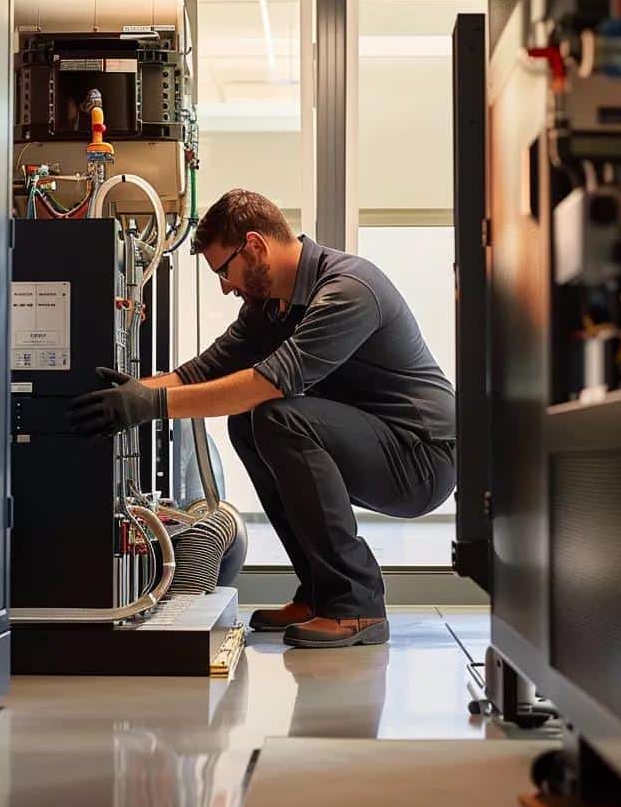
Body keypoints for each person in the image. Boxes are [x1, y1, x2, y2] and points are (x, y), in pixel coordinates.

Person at [70, 189, 456, 648]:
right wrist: (129, 394)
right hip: (378, 442)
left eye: (224, 270)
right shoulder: (271, 305)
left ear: (254, 246)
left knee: (276, 416)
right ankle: (318, 593)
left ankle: (356, 605)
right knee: (249, 425)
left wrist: (151, 407)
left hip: (421, 458)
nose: (224, 286)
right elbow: (203, 371)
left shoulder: (348, 289)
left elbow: (267, 384)